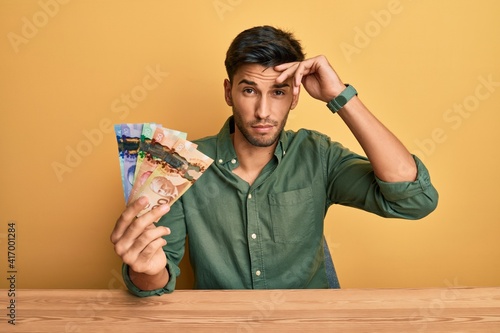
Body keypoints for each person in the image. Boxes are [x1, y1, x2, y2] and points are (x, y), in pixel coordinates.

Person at [110, 25, 438, 296]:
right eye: (249, 90)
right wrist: (149, 272)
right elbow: (152, 284)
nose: (264, 111)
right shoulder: (180, 163)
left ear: (295, 96)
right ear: (229, 92)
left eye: (279, 92)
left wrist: (340, 95)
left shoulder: (317, 154)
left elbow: (414, 199)